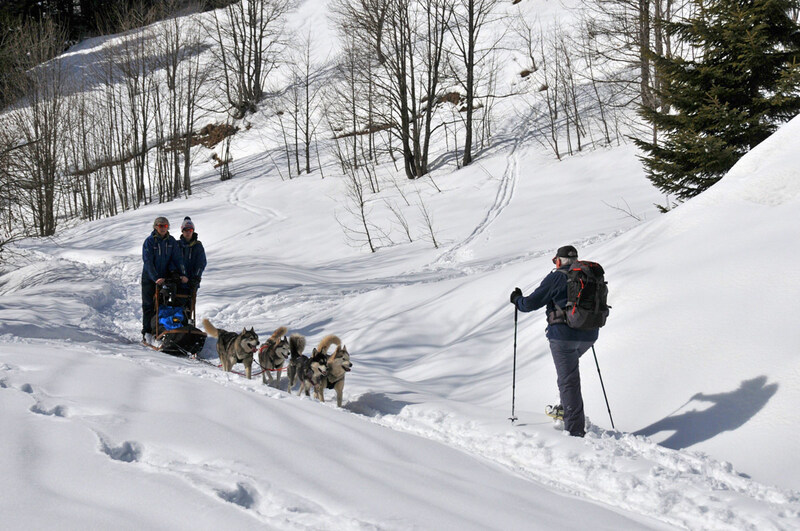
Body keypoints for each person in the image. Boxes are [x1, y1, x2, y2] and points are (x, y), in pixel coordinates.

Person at [510, 245, 598, 437]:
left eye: (555, 260)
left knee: (569, 381)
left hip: (563, 337)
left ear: (558, 260)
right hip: (590, 335)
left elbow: (529, 304)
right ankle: (566, 407)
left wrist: (516, 299)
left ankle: (574, 431)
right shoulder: (587, 274)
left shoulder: (557, 277)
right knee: (568, 376)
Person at [141, 216, 188, 342]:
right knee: (149, 305)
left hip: (165, 279)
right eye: (161, 226)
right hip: (150, 278)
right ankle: (147, 331)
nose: (163, 228)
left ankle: (161, 330)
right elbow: (148, 261)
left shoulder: (171, 241)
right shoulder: (150, 241)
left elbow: (176, 259)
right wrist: (155, 277)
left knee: (163, 305)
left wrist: (176, 273)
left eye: (165, 226)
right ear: (155, 227)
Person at [177, 216, 207, 298]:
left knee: (189, 305)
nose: (188, 232)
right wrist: (177, 276)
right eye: (186, 230)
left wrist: (196, 277)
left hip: (192, 280)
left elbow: (201, 263)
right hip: (179, 280)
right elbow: (173, 261)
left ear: (193, 231)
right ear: (182, 231)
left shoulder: (198, 246)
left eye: (190, 230)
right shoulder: (177, 245)